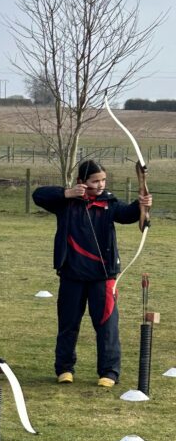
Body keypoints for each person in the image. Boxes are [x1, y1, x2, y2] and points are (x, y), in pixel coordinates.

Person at [32, 159, 152, 387]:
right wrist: (68, 193)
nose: (100, 185)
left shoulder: (109, 203)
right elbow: (39, 195)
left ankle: (109, 371)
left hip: (103, 277)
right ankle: (64, 368)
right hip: (72, 274)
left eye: (103, 180)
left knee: (106, 324)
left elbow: (128, 215)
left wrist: (142, 204)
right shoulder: (66, 203)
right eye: (95, 181)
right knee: (68, 323)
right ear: (81, 182)